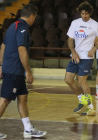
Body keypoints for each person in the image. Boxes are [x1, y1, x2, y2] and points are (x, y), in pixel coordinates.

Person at [0, 4, 46, 139]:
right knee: (5, 100)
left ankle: (28, 129)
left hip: (12, 69)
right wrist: (28, 72)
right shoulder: (23, 28)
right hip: (15, 70)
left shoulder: (11, 26)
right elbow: (22, 49)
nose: (34, 20)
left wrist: (1, 66)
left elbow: (3, 47)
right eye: (34, 18)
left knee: (22, 98)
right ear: (32, 16)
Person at [64, 1, 98, 116]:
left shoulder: (95, 25)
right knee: (68, 80)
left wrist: (94, 48)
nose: (84, 15)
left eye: (87, 13)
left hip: (87, 57)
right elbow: (70, 40)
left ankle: (90, 107)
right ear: (80, 13)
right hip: (75, 56)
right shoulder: (75, 23)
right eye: (83, 13)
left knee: (81, 81)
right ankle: (81, 99)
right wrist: (73, 52)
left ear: (90, 13)